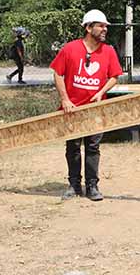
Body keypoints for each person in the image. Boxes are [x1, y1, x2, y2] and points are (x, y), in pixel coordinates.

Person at [51, 10, 123, 201]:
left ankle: (92, 186)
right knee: (73, 147)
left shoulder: (108, 51)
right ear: (88, 27)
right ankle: (74, 185)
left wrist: (101, 92)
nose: (104, 29)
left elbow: (114, 76)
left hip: (95, 111)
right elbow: (58, 73)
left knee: (93, 147)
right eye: (100, 25)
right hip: (72, 109)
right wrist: (65, 99)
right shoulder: (70, 49)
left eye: (106, 26)